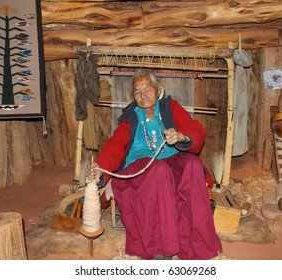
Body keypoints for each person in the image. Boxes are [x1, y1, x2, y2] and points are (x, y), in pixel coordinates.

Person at [85, 69, 222, 260]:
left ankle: (195, 244)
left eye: (148, 89)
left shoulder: (170, 108)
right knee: (159, 170)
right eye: (137, 91)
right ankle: (159, 247)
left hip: (173, 160)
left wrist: (182, 136)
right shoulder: (131, 117)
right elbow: (115, 146)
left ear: (159, 90)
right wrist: (100, 167)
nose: (143, 96)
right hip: (142, 168)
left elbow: (195, 129)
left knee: (192, 165)